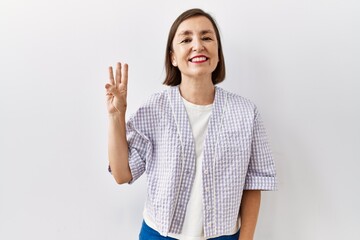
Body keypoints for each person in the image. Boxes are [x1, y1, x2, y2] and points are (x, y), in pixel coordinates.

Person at [105, 8, 277, 240]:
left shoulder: (246, 113)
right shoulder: (155, 109)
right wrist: (117, 116)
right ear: (173, 57)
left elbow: (253, 182)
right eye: (186, 39)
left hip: (224, 236)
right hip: (158, 234)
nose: (198, 45)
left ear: (217, 53)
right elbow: (122, 174)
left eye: (206, 37)